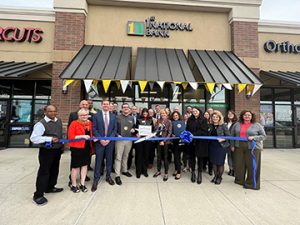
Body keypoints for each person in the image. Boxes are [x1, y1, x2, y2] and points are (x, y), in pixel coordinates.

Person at [30, 105, 63, 206]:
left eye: (54, 111)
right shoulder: (41, 124)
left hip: (57, 150)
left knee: (54, 169)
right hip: (46, 151)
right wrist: (49, 139)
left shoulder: (58, 120)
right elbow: (34, 138)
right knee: (44, 172)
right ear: (45, 112)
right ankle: (38, 195)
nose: (53, 113)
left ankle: (50, 187)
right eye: (50, 111)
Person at [231, 110, 266, 190]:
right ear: (242, 116)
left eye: (249, 115)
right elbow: (232, 135)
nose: (247, 116)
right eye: (245, 115)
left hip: (253, 147)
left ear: (251, 116)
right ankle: (239, 180)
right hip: (238, 146)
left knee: (252, 165)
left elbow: (263, 136)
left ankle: (251, 183)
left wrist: (254, 137)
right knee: (239, 164)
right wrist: (232, 145)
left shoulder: (257, 125)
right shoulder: (236, 124)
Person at [92, 99, 117, 192]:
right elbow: (94, 128)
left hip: (110, 142)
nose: (106, 105)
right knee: (98, 160)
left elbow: (115, 129)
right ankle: (96, 179)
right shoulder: (96, 115)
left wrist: (109, 139)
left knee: (109, 160)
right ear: (101, 105)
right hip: (100, 142)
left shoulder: (113, 116)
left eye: (107, 104)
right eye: (104, 104)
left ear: (109, 105)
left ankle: (108, 176)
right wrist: (101, 139)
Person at [68, 109, 93, 193]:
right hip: (76, 148)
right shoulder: (74, 123)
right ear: (78, 116)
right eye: (82, 115)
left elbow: (91, 134)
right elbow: (71, 136)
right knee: (75, 167)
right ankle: (74, 184)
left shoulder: (89, 123)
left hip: (86, 148)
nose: (84, 116)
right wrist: (82, 136)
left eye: (86, 115)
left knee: (84, 166)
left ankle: (82, 183)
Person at [186, 107, 209, 184]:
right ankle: (193, 172)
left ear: (199, 111)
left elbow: (204, 131)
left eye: (196, 111)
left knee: (200, 158)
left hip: (200, 143)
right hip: (191, 142)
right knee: (192, 158)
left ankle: (199, 173)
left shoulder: (204, 120)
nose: (194, 112)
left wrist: (194, 134)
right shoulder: (190, 120)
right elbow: (187, 129)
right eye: (193, 111)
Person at [114, 103, 135, 185]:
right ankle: (117, 175)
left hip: (129, 140)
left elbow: (133, 127)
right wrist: (117, 135)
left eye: (127, 107)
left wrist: (133, 130)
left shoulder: (132, 118)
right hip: (120, 140)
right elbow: (114, 128)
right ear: (122, 109)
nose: (126, 108)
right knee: (118, 157)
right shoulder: (117, 117)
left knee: (126, 156)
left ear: (129, 109)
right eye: (124, 107)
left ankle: (124, 170)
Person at [208, 110, 231, 185]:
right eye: (213, 117)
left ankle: (219, 177)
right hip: (212, 146)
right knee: (214, 163)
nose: (215, 118)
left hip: (221, 146)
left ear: (219, 118)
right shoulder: (210, 125)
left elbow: (229, 136)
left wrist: (223, 139)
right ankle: (215, 176)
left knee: (220, 163)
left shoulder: (223, 125)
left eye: (216, 117)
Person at [153, 109, 172, 181]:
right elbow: (155, 130)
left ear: (167, 114)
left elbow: (169, 133)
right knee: (158, 157)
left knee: (165, 157)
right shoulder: (158, 121)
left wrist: (164, 141)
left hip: (165, 142)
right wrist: (158, 127)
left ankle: (166, 173)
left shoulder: (169, 121)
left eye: (164, 113)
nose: (163, 115)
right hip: (158, 141)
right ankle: (158, 171)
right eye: (161, 114)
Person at [134, 108, 154, 178]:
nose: (145, 114)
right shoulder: (138, 120)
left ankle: (144, 171)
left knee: (146, 156)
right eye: (144, 113)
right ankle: (138, 172)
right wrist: (137, 133)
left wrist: (150, 134)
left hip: (147, 141)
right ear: (142, 113)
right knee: (139, 155)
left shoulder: (150, 120)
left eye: (146, 113)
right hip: (140, 140)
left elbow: (153, 130)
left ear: (148, 113)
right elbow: (135, 128)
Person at [170, 111, 185, 180]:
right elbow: (169, 131)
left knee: (177, 157)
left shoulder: (182, 123)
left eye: (176, 115)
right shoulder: (171, 122)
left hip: (180, 142)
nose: (175, 117)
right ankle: (176, 169)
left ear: (179, 116)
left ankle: (179, 172)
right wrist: (171, 134)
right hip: (173, 142)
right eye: (174, 116)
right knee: (175, 157)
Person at [224, 110, 238, 176]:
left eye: (231, 114)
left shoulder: (236, 123)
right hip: (226, 142)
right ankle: (231, 169)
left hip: (233, 143)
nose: (230, 115)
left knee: (234, 157)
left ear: (234, 115)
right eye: (228, 114)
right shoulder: (225, 122)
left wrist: (233, 145)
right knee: (229, 156)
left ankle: (235, 170)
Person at [127, 105, 140, 170]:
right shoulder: (128, 116)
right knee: (129, 152)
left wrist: (138, 133)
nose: (134, 110)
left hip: (138, 136)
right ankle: (128, 166)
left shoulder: (140, 116)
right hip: (130, 136)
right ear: (131, 110)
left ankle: (137, 165)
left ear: (136, 110)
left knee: (138, 152)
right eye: (133, 109)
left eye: (135, 109)